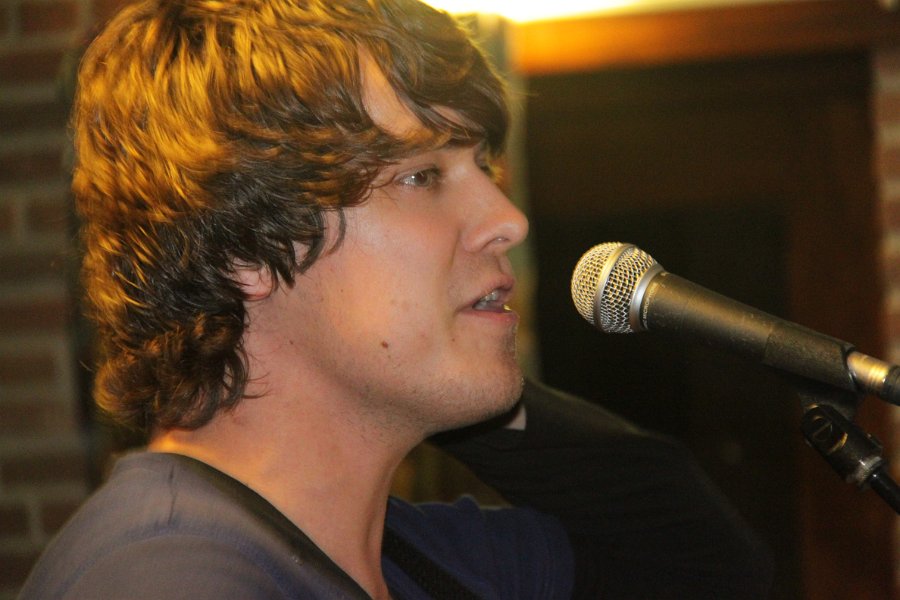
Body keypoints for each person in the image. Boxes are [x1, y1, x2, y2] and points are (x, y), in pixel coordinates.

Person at [20, 0, 773, 598]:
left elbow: (697, 563)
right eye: (421, 176)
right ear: (244, 246)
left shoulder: (413, 557)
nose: (506, 219)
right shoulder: (169, 580)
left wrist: (451, 373)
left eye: (483, 166)